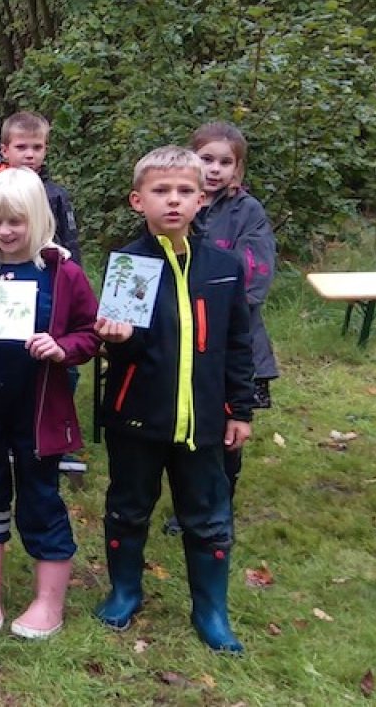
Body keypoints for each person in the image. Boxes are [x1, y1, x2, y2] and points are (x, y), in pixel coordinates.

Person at [93, 146, 255, 653]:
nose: (174, 201)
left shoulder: (223, 268)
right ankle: (124, 591)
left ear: (202, 200)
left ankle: (210, 609)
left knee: (207, 516)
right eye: (161, 191)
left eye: (185, 191)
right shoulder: (129, 266)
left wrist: (240, 409)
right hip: (137, 417)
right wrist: (116, 339)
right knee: (128, 506)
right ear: (138, 201)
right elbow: (125, 353)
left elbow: (237, 344)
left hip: (204, 423)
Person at [0, 168, 99, 637]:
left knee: (41, 497)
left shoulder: (63, 273)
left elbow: (89, 334)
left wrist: (61, 349)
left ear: (38, 220)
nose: (5, 232)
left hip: (41, 411)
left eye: (16, 222)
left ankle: (48, 601)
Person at [189, 121, 278, 503]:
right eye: (206, 159)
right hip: (183, 338)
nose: (214, 169)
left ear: (237, 169)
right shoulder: (178, 202)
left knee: (228, 428)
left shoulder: (248, 211)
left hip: (234, 342)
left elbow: (255, 276)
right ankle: (191, 500)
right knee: (191, 422)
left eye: (225, 162)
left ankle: (220, 501)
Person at [0, 111, 81, 262]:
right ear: (5, 151)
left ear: (46, 149)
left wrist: (73, 277)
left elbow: (69, 240)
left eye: (37, 147)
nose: (30, 154)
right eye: (21, 147)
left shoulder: (55, 194)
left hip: (44, 270)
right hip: (0, 269)